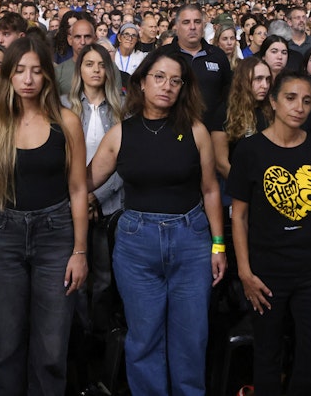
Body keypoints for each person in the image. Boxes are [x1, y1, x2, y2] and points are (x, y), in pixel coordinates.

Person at [87, 48, 227, 395]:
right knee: (145, 338)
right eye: (159, 77)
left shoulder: (196, 131)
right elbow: (82, 182)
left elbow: (210, 191)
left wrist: (218, 245)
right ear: (142, 83)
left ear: (183, 88)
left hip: (192, 240)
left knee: (191, 338)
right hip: (137, 243)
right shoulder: (121, 133)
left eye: (175, 81)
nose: (167, 86)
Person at [0, 35, 87, 395]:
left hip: (55, 234)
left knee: (51, 349)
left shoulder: (66, 122)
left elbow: (78, 189)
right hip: (2, 235)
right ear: (8, 76)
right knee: (5, 346)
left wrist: (80, 252)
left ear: (48, 75)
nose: (28, 79)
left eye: (36, 71)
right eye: (19, 71)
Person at [226, 70, 311, 395]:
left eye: (306, 101)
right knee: (267, 356)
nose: (299, 107)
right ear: (272, 101)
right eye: (290, 98)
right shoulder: (250, 150)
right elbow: (239, 217)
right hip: (267, 272)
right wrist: (244, 272)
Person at [61, 42, 126, 340]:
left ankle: (99, 336)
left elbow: (125, 162)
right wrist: (80, 197)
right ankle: (78, 333)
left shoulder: (122, 108)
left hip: (109, 206)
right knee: (72, 273)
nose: (96, 70)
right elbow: (59, 158)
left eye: (101, 64)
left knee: (103, 275)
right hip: (70, 204)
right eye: (89, 64)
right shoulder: (64, 106)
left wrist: (95, 197)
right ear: (80, 70)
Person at [209, 57, 271, 181]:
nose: (265, 85)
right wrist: (244, 189)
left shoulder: (271, 109)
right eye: (258, 79)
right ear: (244, 80)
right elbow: (221, 163)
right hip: (236, 184)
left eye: (268, 79)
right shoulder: (225, 112)